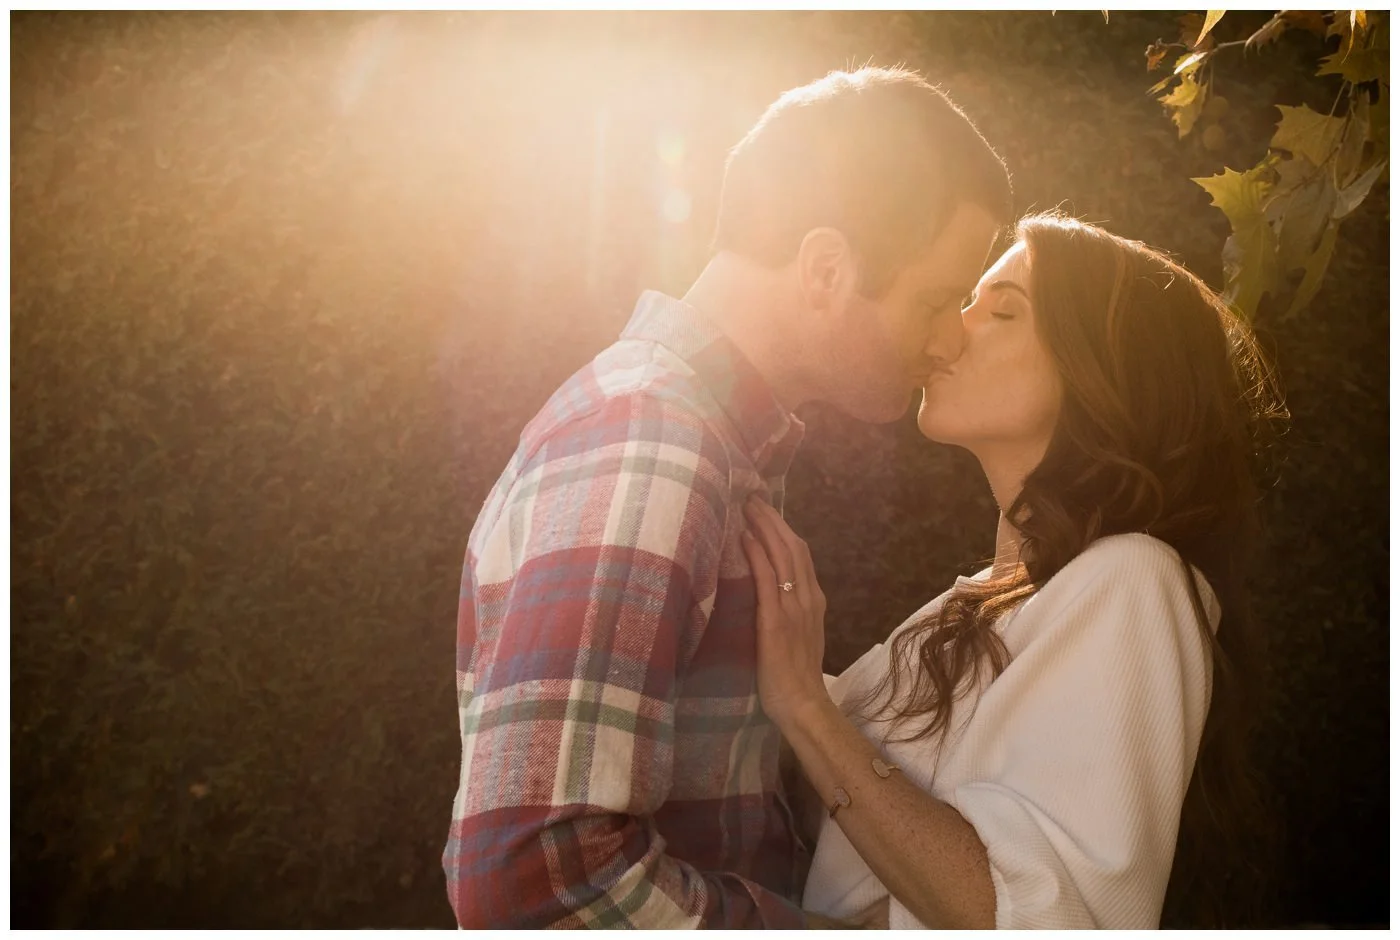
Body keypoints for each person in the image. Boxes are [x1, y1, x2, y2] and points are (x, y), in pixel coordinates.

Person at [442, 66, 1012, 928]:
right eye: (936, 300)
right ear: (827, 267)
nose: (948, 339)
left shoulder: (709, 442)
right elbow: (536, 875)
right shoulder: (653, 440)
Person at [741, 213, 1286, 929]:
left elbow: (1026, 916)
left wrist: (806, 709)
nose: (952, 328)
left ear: (1105, 370)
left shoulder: (1133, 580)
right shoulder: (974, 607)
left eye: (1001, 310)